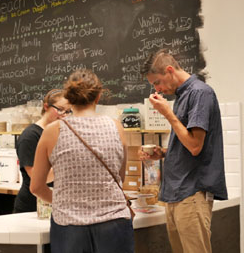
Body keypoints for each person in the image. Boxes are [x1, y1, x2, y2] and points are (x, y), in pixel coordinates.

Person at [30, 68, 134, 252]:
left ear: (68, 99)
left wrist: (64, 202)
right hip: (114, 224)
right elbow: (120, 177)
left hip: (69, 226)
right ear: (98, 96)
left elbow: (36, 187)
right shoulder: (116, 127)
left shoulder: (52, 131)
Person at [137, 49, 226, 253]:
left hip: (192, 192)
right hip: (177, 193)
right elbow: (188, 144)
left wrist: (168, 114)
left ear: (170, 70)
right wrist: (164, 153)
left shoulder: (199, 93)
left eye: (157, 82)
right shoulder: (183, 95)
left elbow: (195, 146)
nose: (157, 90)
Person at [13, 89, 70, 213]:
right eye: (60, 109)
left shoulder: (62, 133)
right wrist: (69, 165)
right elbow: (37, 178)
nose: (64, 115)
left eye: (68, 111)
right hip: (31, 206)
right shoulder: (30, 136)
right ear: (46, 106)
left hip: (55, 204)